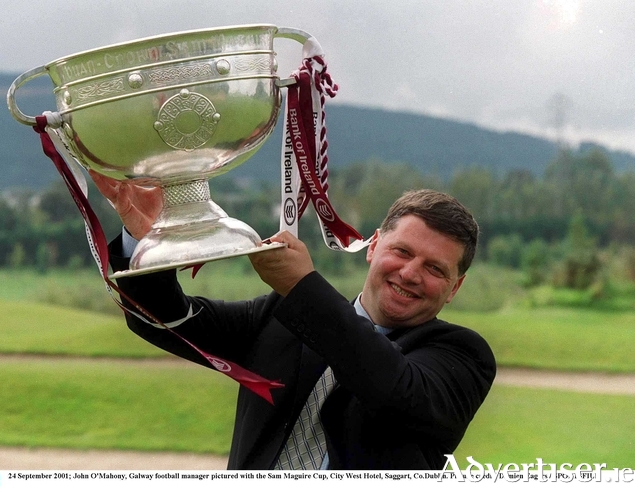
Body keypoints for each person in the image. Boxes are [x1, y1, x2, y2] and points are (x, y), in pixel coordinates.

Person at [94, 171, 496, 470]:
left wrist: (302, 286)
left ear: (455, 287)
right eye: (402, 251)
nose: (410, 273)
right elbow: (165, 321)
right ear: (373, 247)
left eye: (434, 269)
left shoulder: (463, 357)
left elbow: (392, 388)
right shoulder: (280, 316)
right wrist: (147, 240)